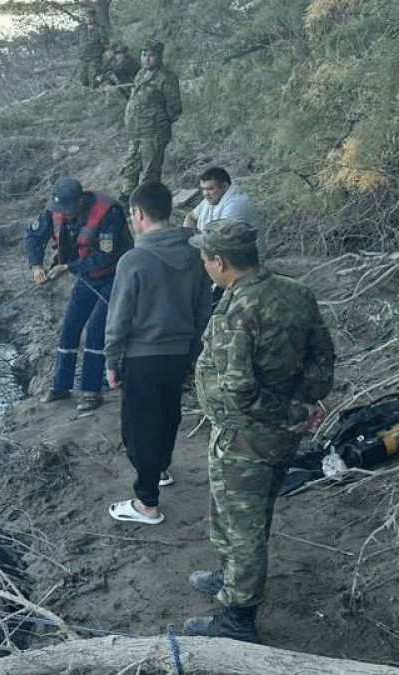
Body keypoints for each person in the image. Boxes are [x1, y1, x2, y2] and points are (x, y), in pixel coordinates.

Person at [181, 220, 335, 642]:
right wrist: (301, 404)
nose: (204, 264)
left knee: (243, 523)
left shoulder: (238, 311)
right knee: (243, 513)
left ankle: (237, 620)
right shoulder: (296, 293)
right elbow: (323, 360)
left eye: (205, 258)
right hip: (278, 434)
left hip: (246, 436)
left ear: (219, 261)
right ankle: (232, 576)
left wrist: (283, 411)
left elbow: (239, 388)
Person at [104, 182, 212, 525]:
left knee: (138, 428)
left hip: (142, 356)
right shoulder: (195, 255)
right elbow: (203, 310)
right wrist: (195, 352)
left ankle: (147, 503)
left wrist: (111, 360)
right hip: (180, 353)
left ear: (138, 214)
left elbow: (118, 317)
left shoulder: (133, 260)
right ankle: (160, 469)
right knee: (167, 416)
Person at [25, 177, 132, 411]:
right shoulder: (54, 211)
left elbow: (106, 256)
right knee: (70, 326)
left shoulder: (108, 214)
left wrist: (68, 267)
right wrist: (36, 266)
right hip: (86, 276)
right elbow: (33, 236)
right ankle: (61, 386)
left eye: (68, 208)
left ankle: (91, 391)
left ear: (80, 201)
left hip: (114, 276)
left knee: (95, 330)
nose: (64, 213)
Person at [120, 39, 183, 200]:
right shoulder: (141, 73)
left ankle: (148, 207)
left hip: (153, 133)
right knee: (130, 168)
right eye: (143, 55)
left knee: (149, 173)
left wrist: (160, 124)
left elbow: (174, 107)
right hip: (136, 132)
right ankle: (127, 201)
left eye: (151, 55)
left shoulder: (166, 77)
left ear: (159, 56)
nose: (146, 59)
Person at [184, 167, 265, 260]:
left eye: (210, 188)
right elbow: (190, 217)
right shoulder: (212, 198)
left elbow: (222, 242)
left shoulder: (236, 204)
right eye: (203, 189)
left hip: (245, 263)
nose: (206, 193)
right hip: (222, 255)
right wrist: (187, 236)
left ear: (225, 186)